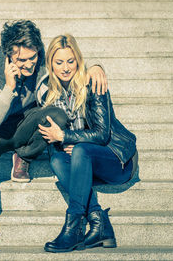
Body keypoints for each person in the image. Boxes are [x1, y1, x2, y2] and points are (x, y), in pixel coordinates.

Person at [0, 20, 108, 248]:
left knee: (57, 116)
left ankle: (25, 154)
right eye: (22, 60)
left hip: (26, 129)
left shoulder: (43, 67)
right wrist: (8, 89)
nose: (30, 64)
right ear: (8, 55)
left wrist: (95, 68)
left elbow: (70, 65)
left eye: (33, 57)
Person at [28, 34, 139, 253]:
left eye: (71, 61)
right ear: (50, 63)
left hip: (117, 160)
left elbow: (101, 135)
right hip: (83, 160)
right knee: (57, 160)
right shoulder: (48, 93)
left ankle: (74, 228)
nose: (65, 68)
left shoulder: (92, 83)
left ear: (78, 61)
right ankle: (99, 223)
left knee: (79, 150)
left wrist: (65, 137)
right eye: (59, 62)